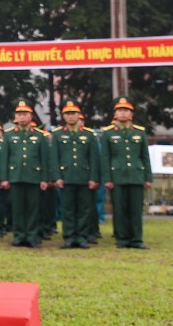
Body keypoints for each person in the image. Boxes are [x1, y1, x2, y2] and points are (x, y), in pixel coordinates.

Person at [0, 101, 50, 249]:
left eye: (25, 114)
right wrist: (4, 178)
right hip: (15, 176)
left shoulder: (39, 136)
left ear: (31, 116)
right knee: (17, 209)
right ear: (15, 116)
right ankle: (19, 235)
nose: (22, 117)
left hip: (34, 177)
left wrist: (45, 178)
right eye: (19, 114)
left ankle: (32, 236)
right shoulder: (9, 135)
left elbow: (44, 159)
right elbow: (4, 159)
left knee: (33, 208)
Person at [101, 97, 152, 249]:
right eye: (120, 110)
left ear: (131, 114)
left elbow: (145, 157)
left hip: (136, 176)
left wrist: (147, 177)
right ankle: (122, 238)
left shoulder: (139, 132)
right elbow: (106, 158)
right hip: (117, 177)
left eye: (126, 110)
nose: (123, 113)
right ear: (115, 113)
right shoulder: (108, 133)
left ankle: (136, 239)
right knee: (120, 210)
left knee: (136, 210)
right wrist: (108, 179)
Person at [50, 100, 101, 250]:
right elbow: (55, 158)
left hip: (84, 178)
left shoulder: (89, 135)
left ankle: (82, 237)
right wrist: (57, 177)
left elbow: (94, 159)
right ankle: (69, 237)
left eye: (73, 113)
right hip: (66, 178)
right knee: (68, 209)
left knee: (84, 209)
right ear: (63, 116)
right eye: (67, 114)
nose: (71, 117)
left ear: (79, 115)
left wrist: (93, 178)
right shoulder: (58, 135)